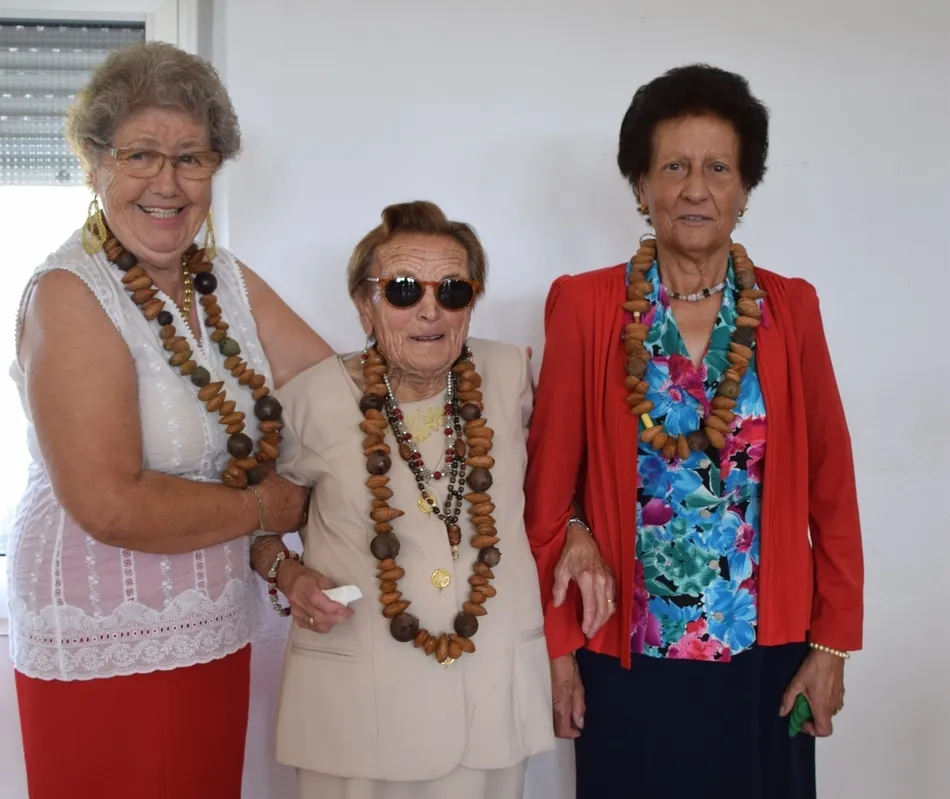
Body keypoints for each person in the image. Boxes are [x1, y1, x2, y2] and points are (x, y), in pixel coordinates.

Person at [524, 64, 864, 799]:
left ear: (745, 188)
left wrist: (833, 643)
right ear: (641, 185)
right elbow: (547, 493)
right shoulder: (585, 306)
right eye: (674, 166)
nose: (695, 188)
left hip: (768, 652)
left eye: (718, 168)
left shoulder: (791, 308)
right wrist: (559, 649)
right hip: (625, 653)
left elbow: (832, 487)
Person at [7, 42, 332, 799]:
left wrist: (454, 373)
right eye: (141, 155)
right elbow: (110, 504)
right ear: (95, 164)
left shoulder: (224, 279)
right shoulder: (69, 293)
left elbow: (331, 397)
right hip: (102, 625)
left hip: (211, 619)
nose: (168, 182)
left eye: (191, 158)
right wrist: (272, 509)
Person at [249, 200, 555, 799]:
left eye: (453, 291)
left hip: (490, 698)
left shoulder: (509, 375)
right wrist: (287, 573)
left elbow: (565, 483)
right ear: (365, 304)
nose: (430, 311)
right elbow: (250, 524)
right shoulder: (307, 401)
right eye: (404, 290)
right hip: (359, 713)